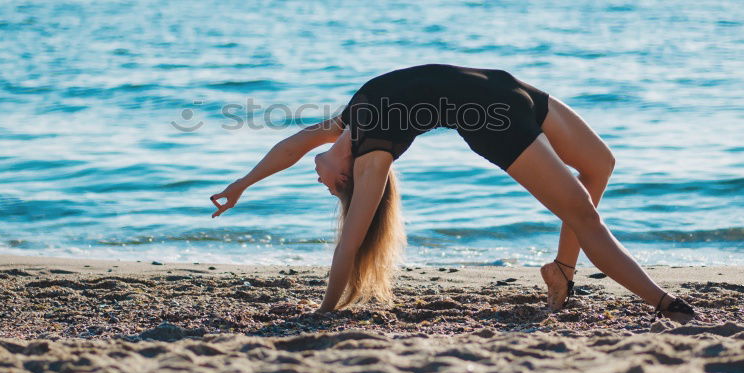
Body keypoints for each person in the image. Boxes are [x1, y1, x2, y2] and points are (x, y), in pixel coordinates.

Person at [210, 64, 695, 323]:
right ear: (349, 177)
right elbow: (351, 244)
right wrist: (326, 309)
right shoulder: (372, 155)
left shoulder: (350, 122)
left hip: (509, 88)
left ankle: (561, 273)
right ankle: (662, 302)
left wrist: (241, 185)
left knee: (601, 164)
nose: (318, 182)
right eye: (330, 189)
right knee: (584, 213)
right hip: (494, 121)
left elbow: (293, 145)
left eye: (325, 186)